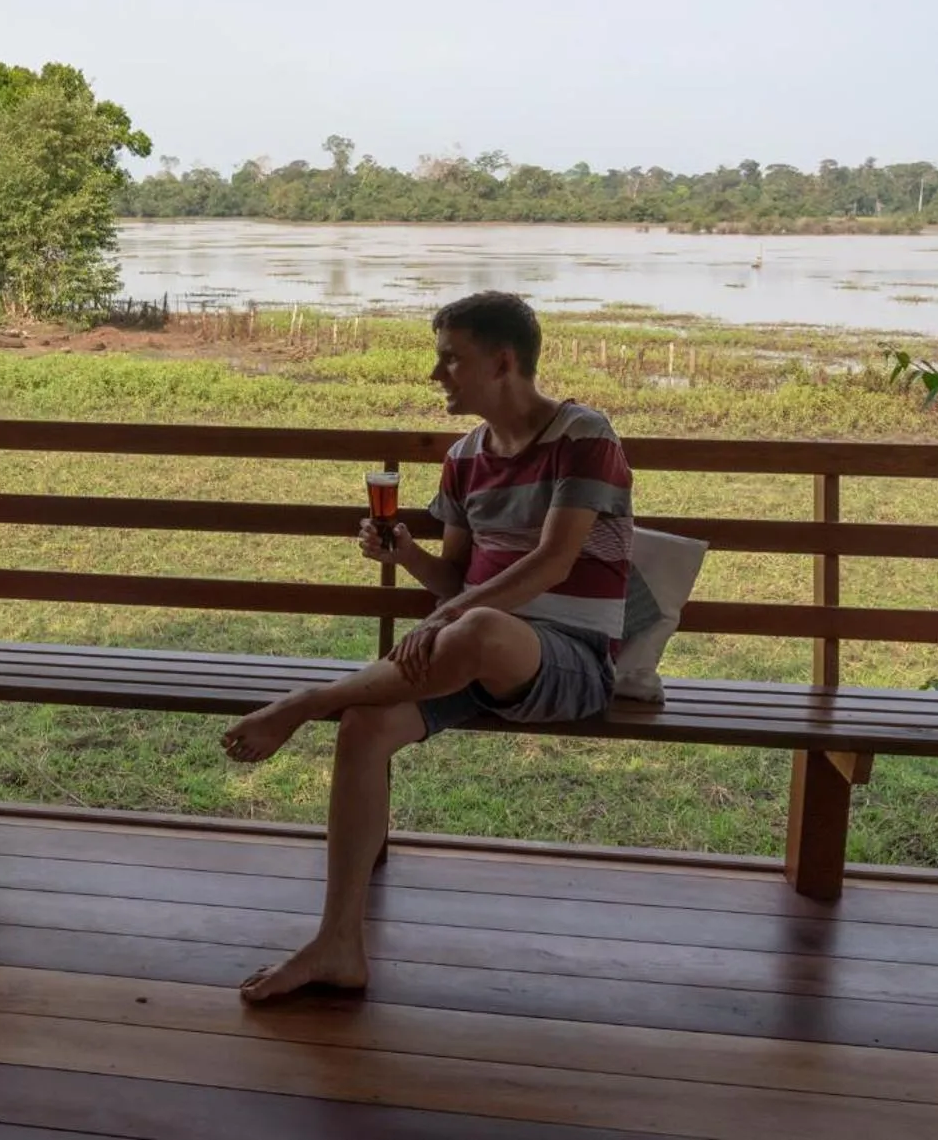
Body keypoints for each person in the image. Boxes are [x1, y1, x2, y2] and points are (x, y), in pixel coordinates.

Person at [221, 291, 631, 1002]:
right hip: (472, 651)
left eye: (450, 359)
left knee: (468, 627)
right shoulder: (464, 456)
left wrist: (447, 619)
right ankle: (337, 942)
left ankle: (303, 701)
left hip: (568, 657)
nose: (435, 374)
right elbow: (454, 577)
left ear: (503, 362)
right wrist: (406, 554)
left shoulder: (583, 434)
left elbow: (553, 562)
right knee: (365, 724)